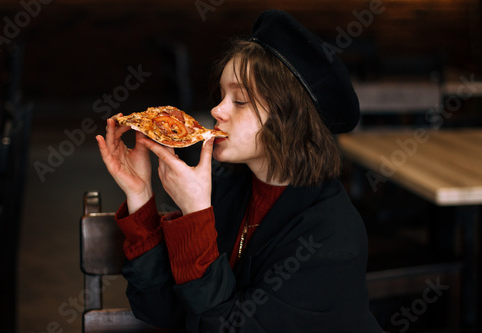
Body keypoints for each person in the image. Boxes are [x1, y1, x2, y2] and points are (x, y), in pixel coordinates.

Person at [97, 9, 383, 333]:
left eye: (240, 101)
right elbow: (163, 311)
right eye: (222, 95)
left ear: (290, 119)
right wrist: (140, 195)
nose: (217, 110)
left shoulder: (331, 234)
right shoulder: (227, 187)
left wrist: (196, 217)